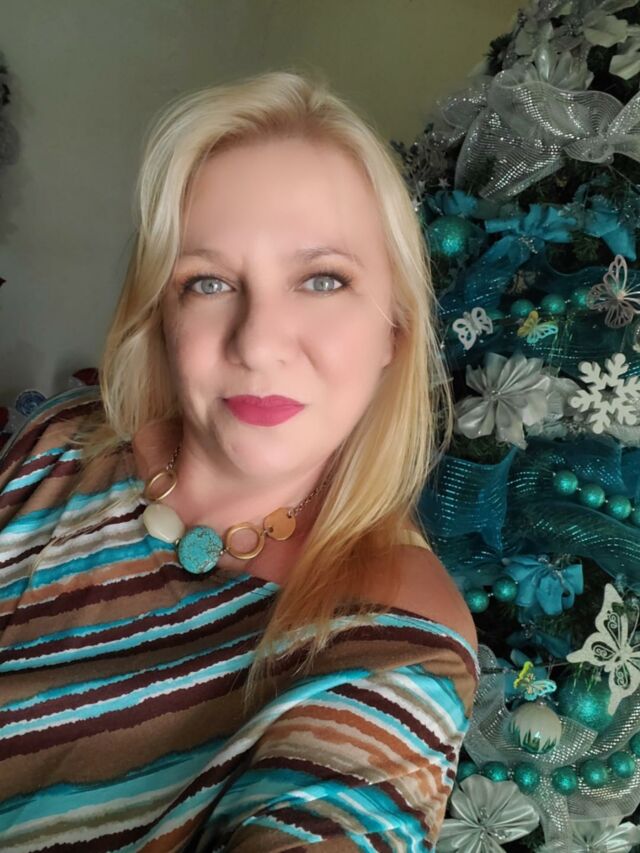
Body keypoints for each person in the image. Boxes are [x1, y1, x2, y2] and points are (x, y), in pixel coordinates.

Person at [0, 69, 479, 851]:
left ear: (393, 329)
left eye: (322, 279)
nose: (256, 342)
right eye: (210, 281)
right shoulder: (58, 448)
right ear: (163, 314)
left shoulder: (397, 637)